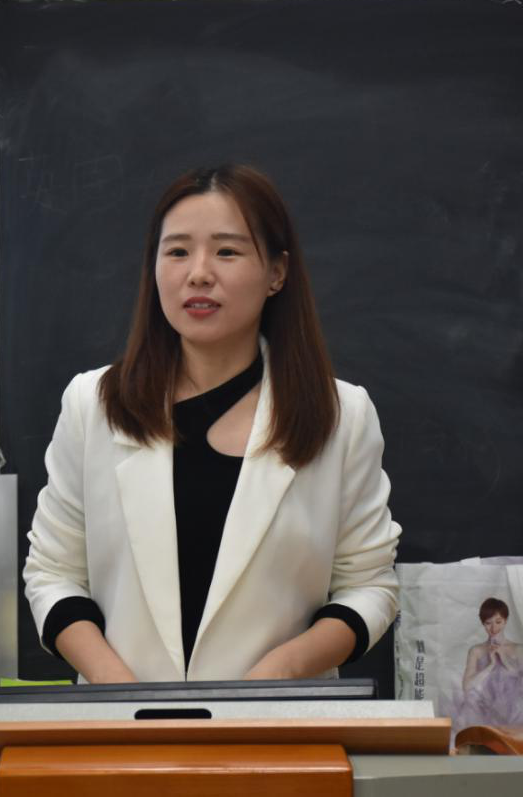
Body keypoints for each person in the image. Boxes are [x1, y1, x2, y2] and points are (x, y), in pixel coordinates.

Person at [22, 164, 401, 683]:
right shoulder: (94, 404)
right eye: (177, 251)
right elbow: (53, 574)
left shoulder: (340, 414)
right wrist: (120, 693)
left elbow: (369, 585)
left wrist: (282, 670)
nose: (198, 273)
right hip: (121, 721)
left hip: (279, 720)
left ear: (277, 273)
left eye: (227, 251)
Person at [456, 597, 523, 726]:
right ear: (483, 623)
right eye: (488, 623)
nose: (493, 628)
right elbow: (467, 687)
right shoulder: (476, 651)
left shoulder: (518, 649)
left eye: (498, 622)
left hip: (513, 710)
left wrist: (505, 660)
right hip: (482, 710)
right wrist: (490, 665)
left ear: (505, 621)